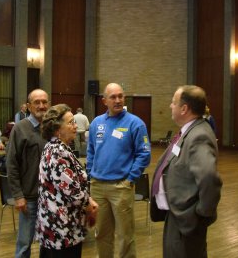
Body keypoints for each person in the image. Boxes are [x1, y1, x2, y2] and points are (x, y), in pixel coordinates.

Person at [150, 85, 222, 258]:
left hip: (187, 220)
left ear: (184, 108)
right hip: (176, 214)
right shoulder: (189, 131)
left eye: (173, 102)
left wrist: (200, 216)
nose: (170, 106)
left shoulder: (199, 136)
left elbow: (209, 178)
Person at [86, 83, 151, 258]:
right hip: (98, 187)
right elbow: (91, 150)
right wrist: (90, 174)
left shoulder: (135, 124)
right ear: (104, 101)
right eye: (113, 97)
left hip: (121, 187)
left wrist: (130, 179)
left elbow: (144, 154)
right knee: (101, 234)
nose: (118, 100)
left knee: (125, 236)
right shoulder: (96, 123)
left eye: (120, 96)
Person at [36, 104, 98, 258]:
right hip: (61, 229)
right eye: (71, 122)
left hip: (58, 225)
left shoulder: (57, 147)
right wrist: (89, 205)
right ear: (57, 129)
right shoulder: (58, 151)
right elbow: (71, 190)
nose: (75, 126)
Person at [6, 89, 50, 258]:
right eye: (37, 102)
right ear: (29, 106)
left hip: (50, 198)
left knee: (47, 243)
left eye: (44, 102)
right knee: (24, 244)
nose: (41, 105)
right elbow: (11, 164)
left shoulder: (52, 129)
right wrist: (18, 195)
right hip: (29, 197)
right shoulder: (20, 128)